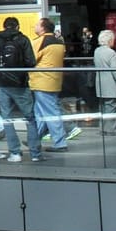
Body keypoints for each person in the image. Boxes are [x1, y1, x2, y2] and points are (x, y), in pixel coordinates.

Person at [28, 17, 79, 155]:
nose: (35, 26)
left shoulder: (40, 41)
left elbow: (30, 59)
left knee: (50, 113)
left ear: (43, 28)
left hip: (41, 81)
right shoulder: (59, 42)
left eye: (37, 24)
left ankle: (60, 142)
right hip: (54, 80)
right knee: (41, 112)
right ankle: (34, 139)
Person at [0, 16, 36, 161]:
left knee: (7, 118)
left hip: (2, 84)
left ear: (4, 27)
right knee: (30, 117)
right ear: (17, 27)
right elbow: (31, 62)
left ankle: (15, 153)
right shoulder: (23, 39)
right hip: (21, 84)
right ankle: (35, 153)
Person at [93, 29, 116, 133]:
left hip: (100, 85)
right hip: (111, 86)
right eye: (113, 39)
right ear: (109, 40)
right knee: (112, 108)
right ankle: (112, 130)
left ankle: (103, 129)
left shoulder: (97, 51)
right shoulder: (111, 53)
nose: (114, 41)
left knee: (103, 108)